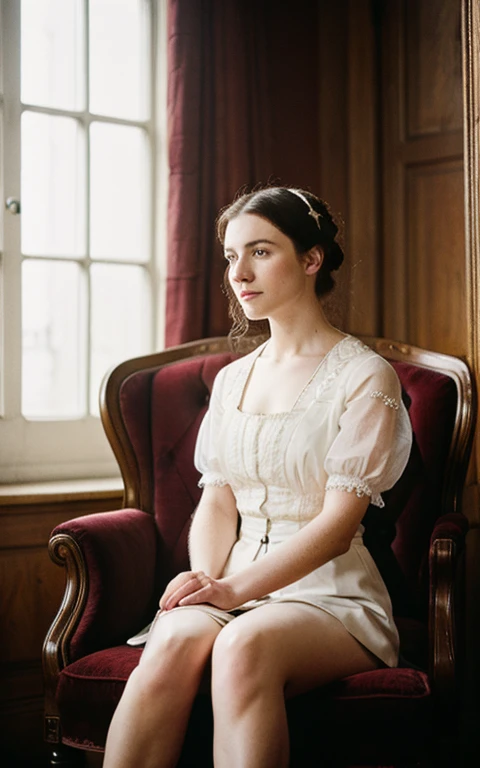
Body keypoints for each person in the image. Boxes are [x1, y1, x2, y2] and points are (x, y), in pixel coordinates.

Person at [103, 186, 413, 768]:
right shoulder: (231, 379)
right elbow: (218, 502)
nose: (239, 273)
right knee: (170, 638)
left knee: (244, 645)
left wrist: (231, 594)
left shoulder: (367, 377)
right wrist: (204, 579)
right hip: (229, 581)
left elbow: (339, 525)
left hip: (330, 595)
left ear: (311, 258)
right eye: (230, 256)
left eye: (261, 252)